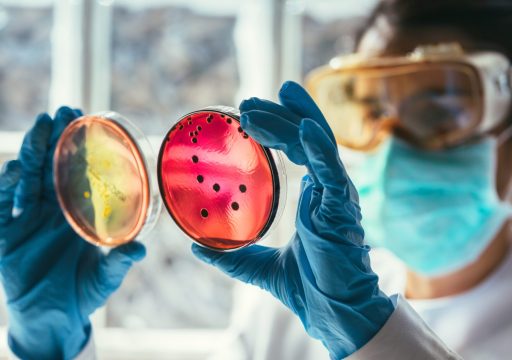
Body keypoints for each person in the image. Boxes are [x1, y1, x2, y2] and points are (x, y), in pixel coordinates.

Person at [0, 1, 510, 360]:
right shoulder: (295, 310)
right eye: (370, 112)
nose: (393, 144)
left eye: (441, 110)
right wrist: (49, 346)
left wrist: (372, 334)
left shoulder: (334, 300)